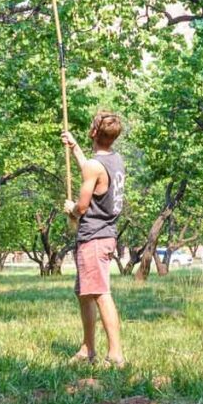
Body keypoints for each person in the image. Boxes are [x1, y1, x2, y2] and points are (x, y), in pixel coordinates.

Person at [61, 111, 126, 367]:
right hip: (105, 235)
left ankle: (116, 354)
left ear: (94, 133)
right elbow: (95, 175)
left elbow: (83, 206)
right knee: (85, 293)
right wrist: (76, 148)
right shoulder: (115, 159)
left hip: (94, 237)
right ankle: (87, 349)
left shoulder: (93, 166)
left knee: (100, 293)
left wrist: (72, 209)